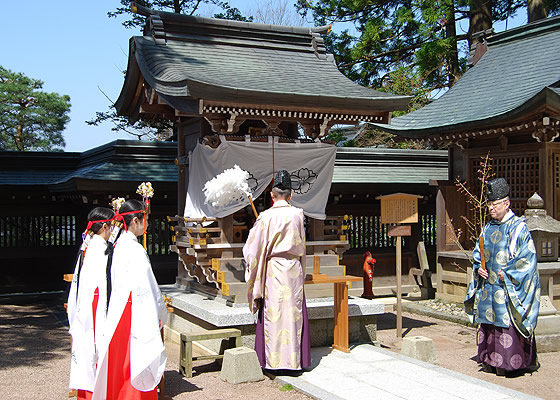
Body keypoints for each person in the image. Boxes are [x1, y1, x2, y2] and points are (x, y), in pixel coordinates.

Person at [464, 177, 540, 376]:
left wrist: (508, 273)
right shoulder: (488, 227)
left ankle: (511, 364)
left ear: (506, 204)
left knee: (506, 323)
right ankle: (490, 361)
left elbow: (527, 259)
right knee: (489, 322)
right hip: (488, 286)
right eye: (489, 204)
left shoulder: (518, 228)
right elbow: (477, 253)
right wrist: (478, 268)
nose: (491, 208)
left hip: (507, 288)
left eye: (495, 204)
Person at [92, 199, 167, 400]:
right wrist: (158, 310)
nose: (148, 224)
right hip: (133, 312)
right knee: (135, 360)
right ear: (135, 221)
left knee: (121, 362)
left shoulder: (118, 245)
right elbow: (146, 286)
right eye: (146, 219)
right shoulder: (134, 250)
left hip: (120, 310)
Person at [243, 170, 311, 372]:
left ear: (272, 196)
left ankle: (273, 362)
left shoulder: (265, 217)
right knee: (293, 313)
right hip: (293, 269)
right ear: (290, 195)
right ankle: (295, 361)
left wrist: (252, 259)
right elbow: (303, 246)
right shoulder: (298, 215)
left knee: (274, 312)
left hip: (273, 269)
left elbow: (252, 250)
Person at [67, 207, 115, 400]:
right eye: (111, 226)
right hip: (96, 304)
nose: (112, 230)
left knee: (88, 349)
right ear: (104, 226)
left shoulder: (88, 245)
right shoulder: (99, 248)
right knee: (96, 349)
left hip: (88, 303)